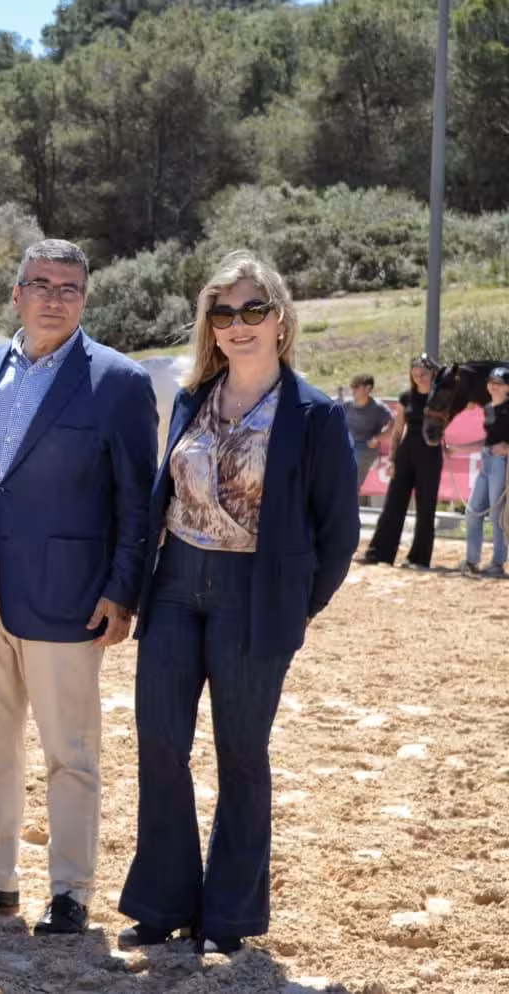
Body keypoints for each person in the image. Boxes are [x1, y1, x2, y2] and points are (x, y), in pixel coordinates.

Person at [0, 239, 158, 935]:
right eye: (40, 283)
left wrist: (123, 590)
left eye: (69, 287)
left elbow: (136, 503)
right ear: (15, 293)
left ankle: (71, 891)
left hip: (71, 596)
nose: (54, 296)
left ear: (85, 298)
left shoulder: (119, 382)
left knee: (69, 753)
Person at [117, 250, 360, 955]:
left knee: (241, 756)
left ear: (281, 320)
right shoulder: (193, 396)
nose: (239, 324)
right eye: (224, 313)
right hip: (173, 587)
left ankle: (227, 918)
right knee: (161, 744)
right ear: (210, 326)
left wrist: (293, 609)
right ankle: (161, 904)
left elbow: (338, 535)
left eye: (254, 309)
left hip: (254, 600)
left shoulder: (314, 414)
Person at [361, 355, 445, 569]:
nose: (419, 377)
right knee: (393, 502)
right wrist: (392, 459)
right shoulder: (406, 397)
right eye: (415, 373)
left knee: (426, 506)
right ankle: (379, 553)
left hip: (431, 452)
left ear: (432, 374)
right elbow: (398, 430)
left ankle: (419, 558)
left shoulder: (440, 397)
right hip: (406, 451)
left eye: (423, 373)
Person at [460, 366, 509, 577]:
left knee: (498, 515)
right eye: (491, 382)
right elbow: (486, 440)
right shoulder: (488, 408)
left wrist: (507, 447)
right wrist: (457, 449)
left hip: (502, 463)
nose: (494, 386)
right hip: (486, 460)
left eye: (499, 383)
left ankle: (497, 563)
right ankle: (472, 560)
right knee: (473, 511)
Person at [342, 374, 393, 495]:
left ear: (368, 388)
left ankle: (348, 510)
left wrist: (377, 438)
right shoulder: (347, 405)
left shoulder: (378, 408)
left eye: (356, 386)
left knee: (351, 482)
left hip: (365, 447)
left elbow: (394, 426)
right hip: (347, 446)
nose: (353, 390)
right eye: (352, 386)